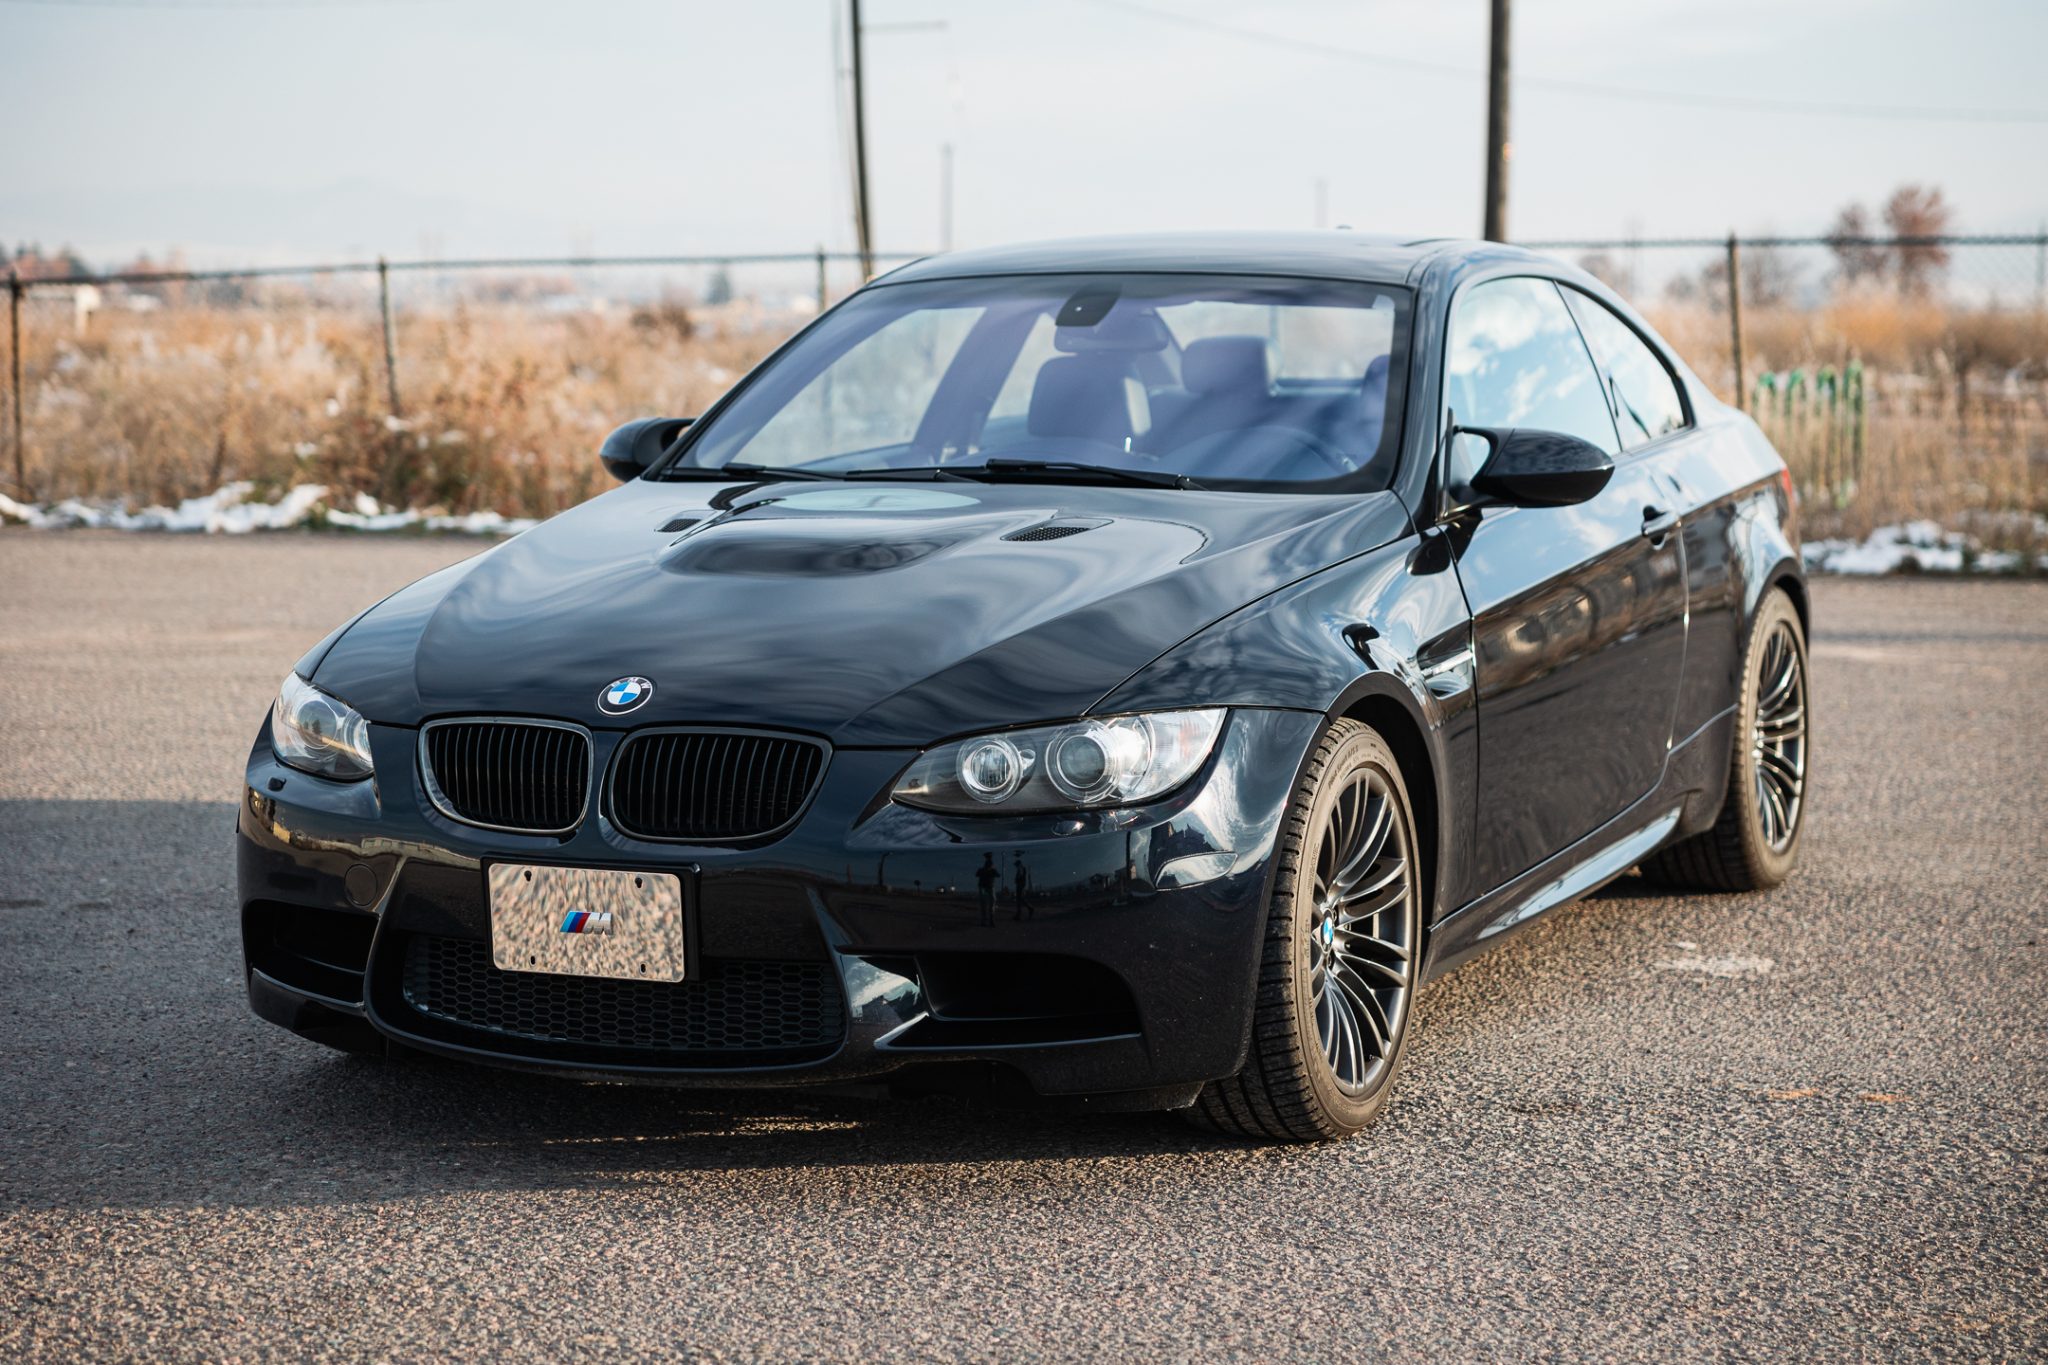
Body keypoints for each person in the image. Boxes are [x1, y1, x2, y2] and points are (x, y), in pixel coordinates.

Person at [975, 853, 1000, 927]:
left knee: (984, 904)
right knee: (990, 904)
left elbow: (977, 874)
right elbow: (998, 875)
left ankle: (985, 921)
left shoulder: (982, 870)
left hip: (984, 888)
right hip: (989, 887)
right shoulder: (992, 870)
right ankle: (990, 921)